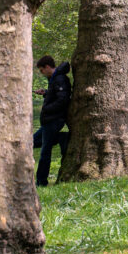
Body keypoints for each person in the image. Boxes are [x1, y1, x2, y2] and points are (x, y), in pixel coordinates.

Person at [33, 55, 72, 187]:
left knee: (45, 151)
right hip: (48, 120)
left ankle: (41, 182)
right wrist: (45, 93)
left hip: (54, 120)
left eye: (41, 70)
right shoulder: (54, 79)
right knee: (32, 142)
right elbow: (55, 95)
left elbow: (63, 99)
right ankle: (60, 137)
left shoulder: (60, 78)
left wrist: (47, 108)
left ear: (48, 67)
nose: (42, 73)